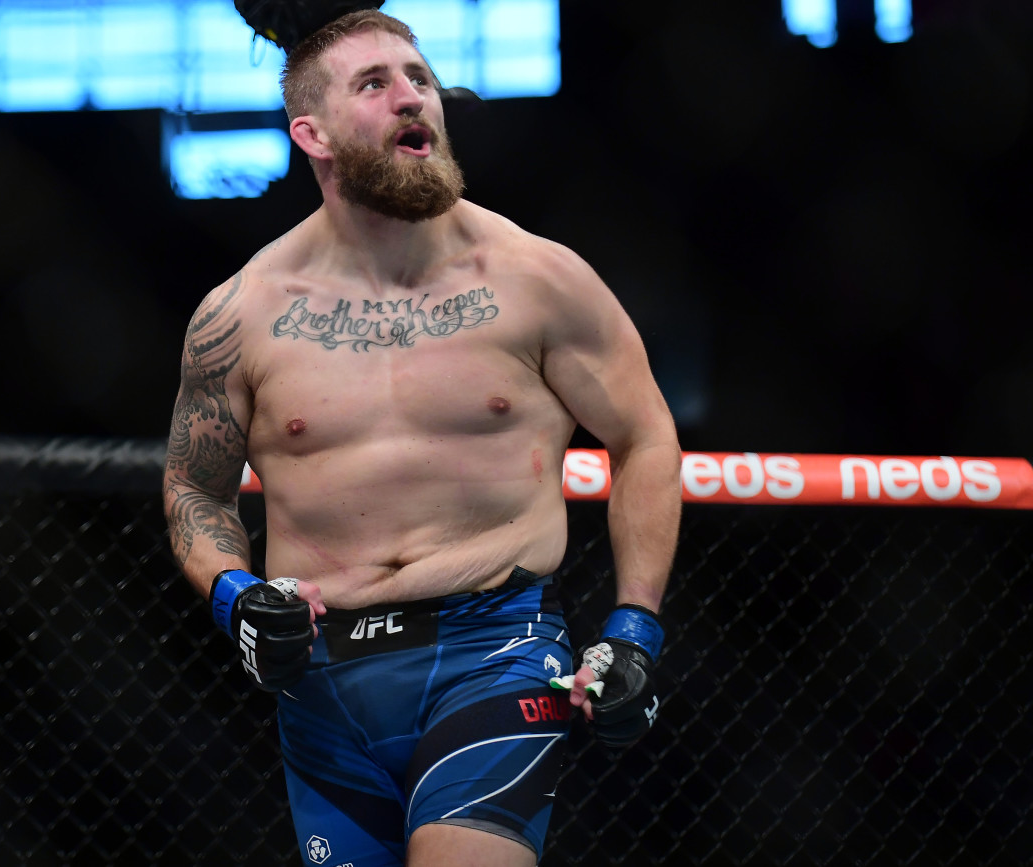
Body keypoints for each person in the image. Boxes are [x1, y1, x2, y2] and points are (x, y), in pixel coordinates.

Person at [162, 10, 681, 866]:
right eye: (375, 84)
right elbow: (195, 488)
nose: (413, 98)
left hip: (496, 650)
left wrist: (634, 628)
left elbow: (646, 437)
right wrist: (236, 596)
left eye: (420, 78)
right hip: (324, 686)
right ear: (312, 134)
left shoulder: (538, 279)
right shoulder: (241, 313)